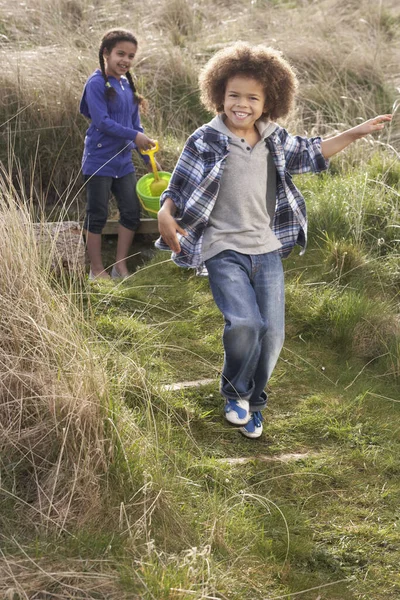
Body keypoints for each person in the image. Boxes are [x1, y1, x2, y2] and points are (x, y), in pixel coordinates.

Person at [156, 42, 392, 438]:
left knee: (273, 333)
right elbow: (176, 187)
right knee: (245, 322)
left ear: (269, 102)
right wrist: (165, 213)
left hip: (265, 249)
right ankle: (234, 392)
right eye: (233, 95)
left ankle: (255, 401)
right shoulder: (205, 139)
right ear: (219, 95)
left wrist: (356, 132)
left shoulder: (274, 139)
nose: (241, 104)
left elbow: (314, 152)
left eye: (252, 97)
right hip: (222, 247)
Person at [80, 28, 155, 280]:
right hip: (99, 160)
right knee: (97, 214)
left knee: (131, 211)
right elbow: (101, 121)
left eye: (131, 56)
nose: (125, 60)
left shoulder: (126, 84)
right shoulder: (96, 83)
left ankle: (120, 266)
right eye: (120, 54)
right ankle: (96, 269)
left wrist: (147, 156)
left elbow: (136, 126)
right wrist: (135, 136)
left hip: (123, 162)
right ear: (106, 53)